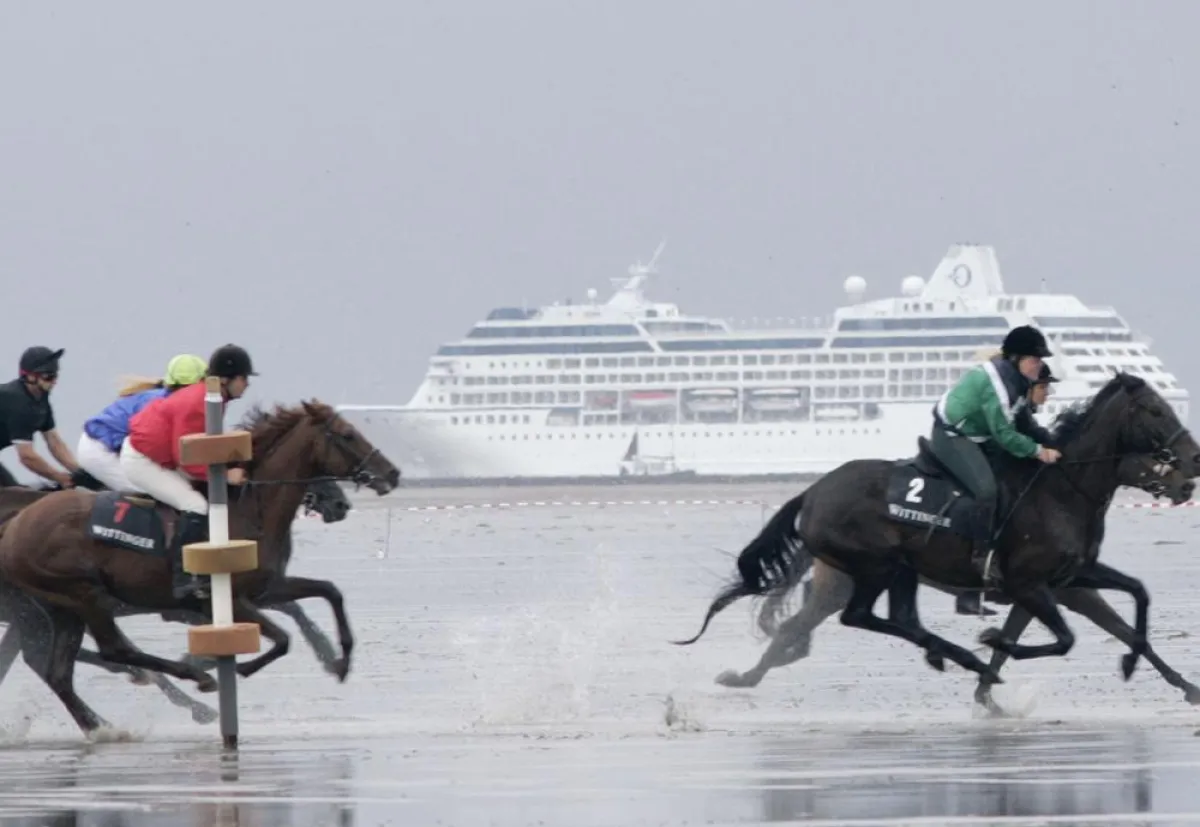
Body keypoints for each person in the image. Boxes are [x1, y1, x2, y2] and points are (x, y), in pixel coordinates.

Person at [121, 344, 257, 600]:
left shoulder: (215, 398)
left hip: (161, 454)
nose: (247, 385)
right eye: (244, 378)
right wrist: (226, 476)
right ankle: (182, 578)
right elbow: (187, 457)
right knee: (195, 506)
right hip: (142, 459)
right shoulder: (200, 402)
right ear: (227, 379)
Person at [930, 325, 1062, 587]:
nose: (1039, 367)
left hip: (979, 434)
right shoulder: (999, 387)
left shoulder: (1018, 380)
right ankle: (979, 559)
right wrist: (1038, 451)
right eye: (1035, 360)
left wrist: (1057, 443)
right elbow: (1004, 434)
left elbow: (1027, 424)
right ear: (1016, 359)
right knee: (987, 491)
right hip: (952, 436)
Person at [954, 361, 1060, 614]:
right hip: (976, 451)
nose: (1047, 394)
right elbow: (1012, 438)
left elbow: (1035, 432)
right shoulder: (1011, 404)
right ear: (1029, 386)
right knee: (1000, 499)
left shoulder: (1022, 407)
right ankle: (971, 586)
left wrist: (1060, 447)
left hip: (995, 452)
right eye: (1044, 388)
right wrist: (1039, 452)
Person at [76, 354, 209, 493]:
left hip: (108, 444)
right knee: (155, 492)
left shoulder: (169, 399)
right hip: (100, 450)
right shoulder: (160, 402)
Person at [0, 346, 80, 489]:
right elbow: (27, 457)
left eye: (55, 376)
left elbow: (55, 443)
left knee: (16, 494)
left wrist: (80, 473)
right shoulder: (18, 403)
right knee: (14, 496)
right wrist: (60, 477)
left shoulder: (41, 401)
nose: (54, 381)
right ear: (30, 376)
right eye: (48, 376)